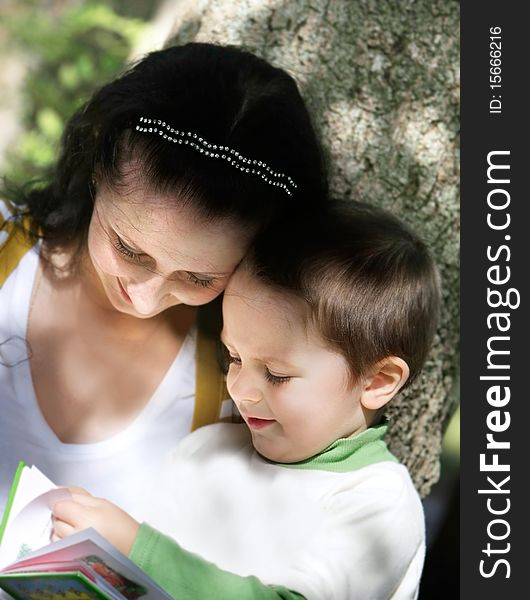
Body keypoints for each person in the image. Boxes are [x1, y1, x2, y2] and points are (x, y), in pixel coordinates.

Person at [0, 42, 327, 518]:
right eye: (130, 250)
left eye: (197, 277)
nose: (144, 298)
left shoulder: (240, 395)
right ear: (97, 170)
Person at [51, 202, 441, 599]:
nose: (240, 389)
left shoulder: (375, 502)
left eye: (277, 374)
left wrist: (140, 551)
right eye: (234, 357)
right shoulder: (207, 450)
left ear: (378, 380)